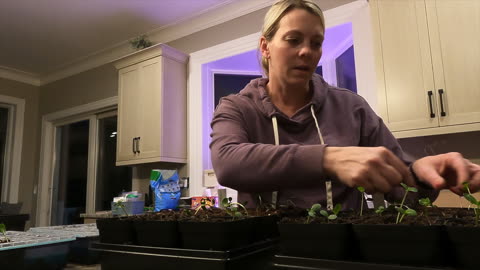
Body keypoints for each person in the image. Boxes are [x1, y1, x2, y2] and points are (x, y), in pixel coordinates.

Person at [209, 0, 480, 209]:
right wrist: (329, 158)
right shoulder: (236, 107)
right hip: (264, 250)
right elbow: (229, 164)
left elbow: (402, 189)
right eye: (293, 40)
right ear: (266, 47)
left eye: (316, 43)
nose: (307, 51)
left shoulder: (352, 107)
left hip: (341, 251)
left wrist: (419, 174)